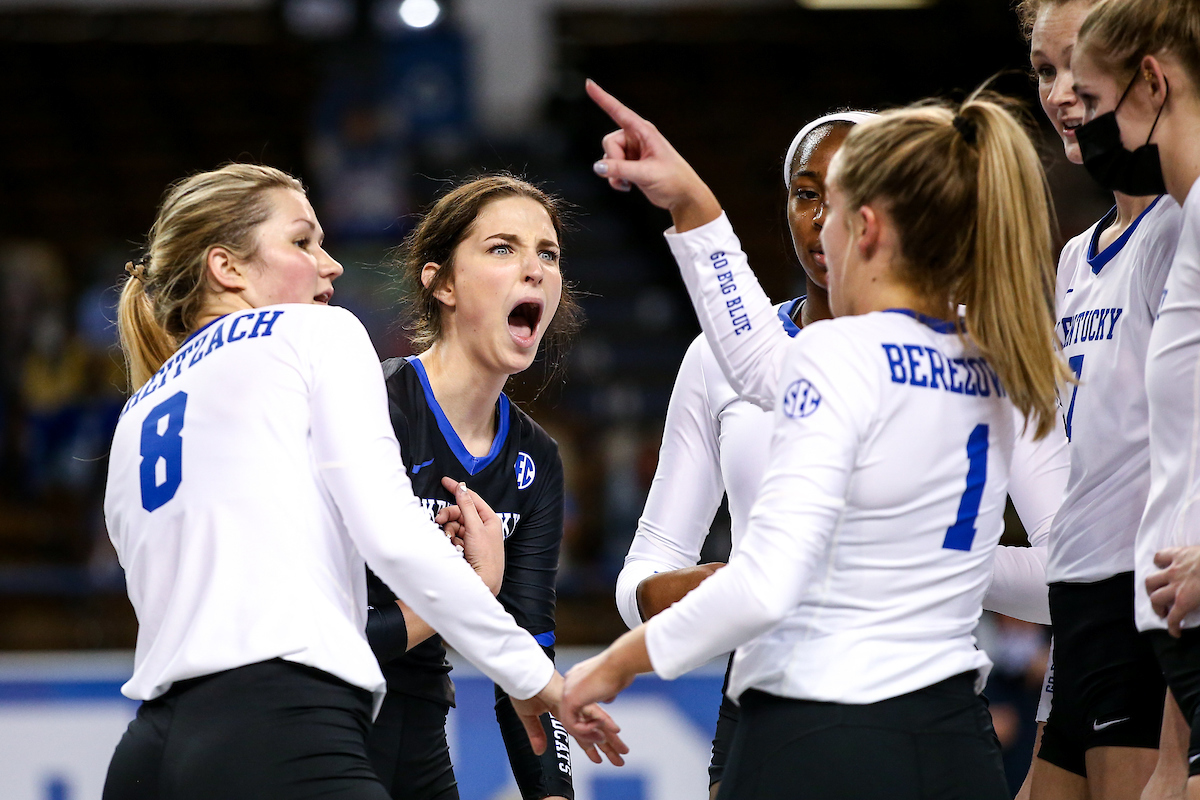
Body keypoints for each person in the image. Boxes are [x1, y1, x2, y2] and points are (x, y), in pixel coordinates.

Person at [564, 81, 1067, 799]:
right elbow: (756, 359)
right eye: (807, 198)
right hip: (953, 739)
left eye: (833, 211)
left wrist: (616, 664)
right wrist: (693, 207)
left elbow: (767, 584)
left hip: (819, 726)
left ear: (867, 229)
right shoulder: (996, 356)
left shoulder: (837, 354)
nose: (817, 230)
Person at [101, 163, 623, 800]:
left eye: (548, 253)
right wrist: (531, 667)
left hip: (151, 746)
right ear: (227, 267)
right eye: (302, 241)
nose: (332, 264)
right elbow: (392, 534)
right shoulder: (322, 333)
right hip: (286, 723)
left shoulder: (142, 406)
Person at [1015, 3, 1187, 799]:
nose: (1061, 93)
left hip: (1143, 589)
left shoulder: (1176, 231)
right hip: (1080, 599)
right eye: (1045, 71)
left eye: (1077, 71)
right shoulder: (1073, 258)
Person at [363, 175, 581, 800]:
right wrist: (468, 591)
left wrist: (554, 795)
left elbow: (528, 657)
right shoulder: (370, 407)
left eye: (548, 253)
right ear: (443, 284)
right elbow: (319, 632)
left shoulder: (537, 461)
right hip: (326, 718)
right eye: (503, 248)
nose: (534, 268)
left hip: (421, 731)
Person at [1068, 1, 1200, 797]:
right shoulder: (1191, 219)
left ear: (1151, 83)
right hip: (1177, 644)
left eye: (1092, 99)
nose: (1082, 124)